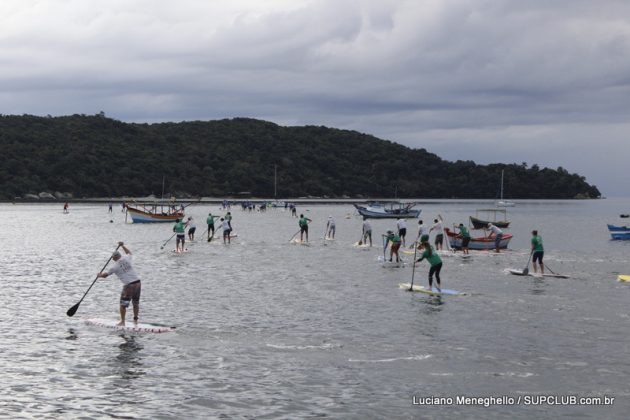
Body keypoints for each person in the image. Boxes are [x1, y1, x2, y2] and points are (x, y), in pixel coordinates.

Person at [97, 242, 141, 326]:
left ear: (114, 258)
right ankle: (135, 320)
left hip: (129, 285)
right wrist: (122, 246)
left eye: (113, 257)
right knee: (135, 302)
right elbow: (129, 253)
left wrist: (99, 275)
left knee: (123, 304)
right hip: (138, 283)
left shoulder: (115, 267)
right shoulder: (127, 258)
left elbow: (105, 275)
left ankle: (122, 322)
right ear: (120, 256)